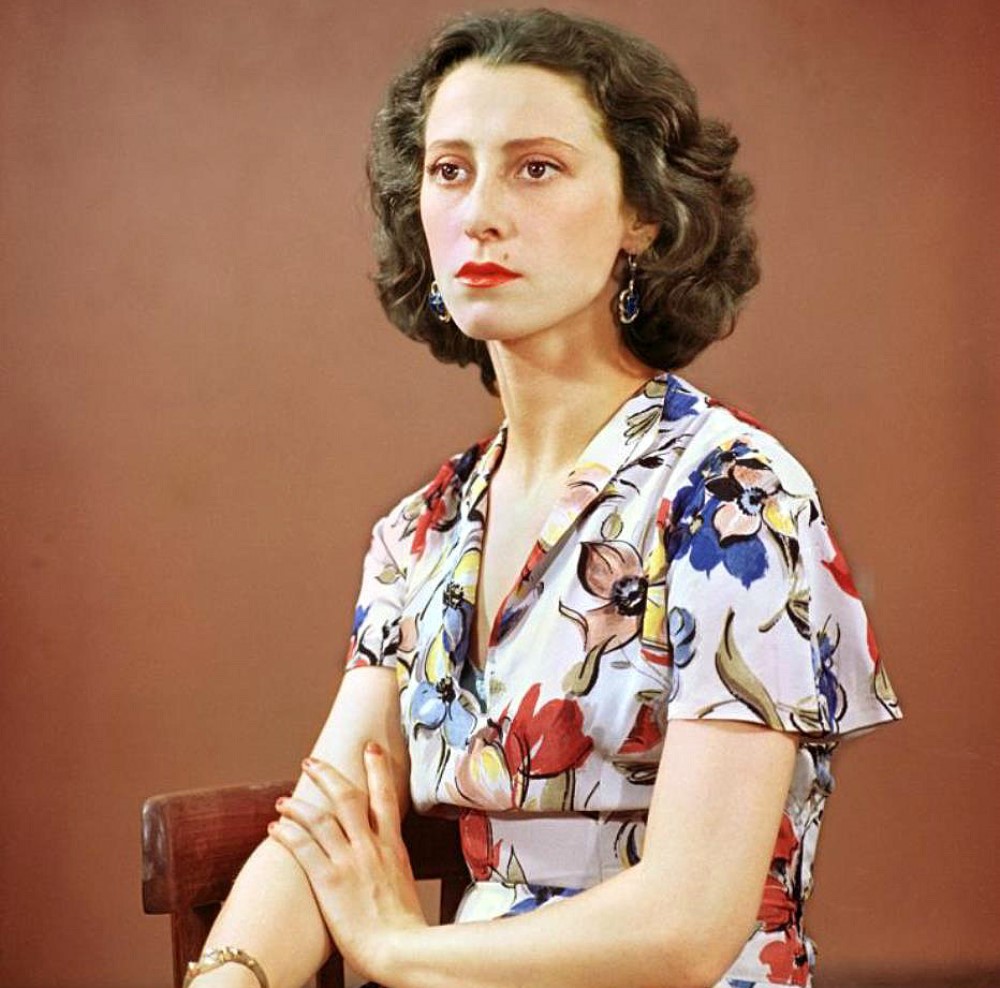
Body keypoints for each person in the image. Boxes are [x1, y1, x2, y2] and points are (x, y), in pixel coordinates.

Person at [185, 10, 901, 988]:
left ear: (642, 215)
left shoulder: (733, 497)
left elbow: (687, 925)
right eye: (449, 170)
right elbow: (321, 831)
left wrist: (400, 952)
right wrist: (227, 976)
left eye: (536, 168)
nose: (480, 212)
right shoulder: (422, 531)